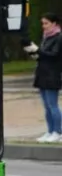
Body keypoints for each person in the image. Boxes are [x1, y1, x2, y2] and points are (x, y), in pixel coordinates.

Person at [29, 12, 62, 143]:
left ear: (54, 23)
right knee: (46, 106)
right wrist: (34, 53)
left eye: (46, 23)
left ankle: (58, 131)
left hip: (52, 74)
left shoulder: (58, 37)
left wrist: (38, 51)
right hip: (42, 73)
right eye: (43, 23)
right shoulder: (46, 37)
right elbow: (43, 55)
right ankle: (50, 131)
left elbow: (53, 55)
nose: (44, 26)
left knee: (52, 105)